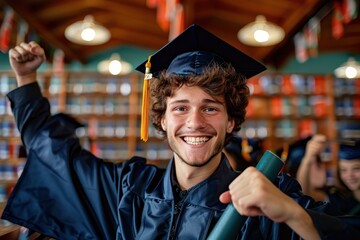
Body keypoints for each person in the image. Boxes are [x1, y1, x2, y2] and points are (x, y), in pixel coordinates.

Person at [1, 24, 359, 239]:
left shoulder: (266, 200)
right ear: (161, 120)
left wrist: (293, 215)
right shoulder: (128, 190)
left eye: (211, 108)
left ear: (231, 121)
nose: (194, 122)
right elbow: (51, 151)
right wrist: (26, 80)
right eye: (180, 108)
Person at [297, 134, 360, 215]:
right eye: (343, 170)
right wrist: (308, 159)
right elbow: (305, 194)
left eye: (356, 168)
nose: (349, 175)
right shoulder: (339, 197)